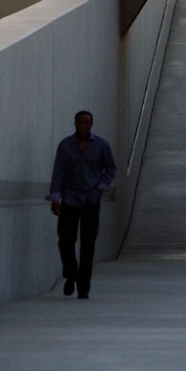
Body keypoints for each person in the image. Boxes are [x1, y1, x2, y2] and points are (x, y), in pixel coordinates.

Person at [46, 110, 116, 299]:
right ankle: (71, 272)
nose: (83, 126)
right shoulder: (65, 146)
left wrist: (100, 187)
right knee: (65, 239)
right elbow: (58, 171)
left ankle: (83, 286)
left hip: (91, 200)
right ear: (75, 124)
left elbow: (110, 168)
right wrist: (55, 198)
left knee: (88, 243)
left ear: (91, 124)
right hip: (70, 198)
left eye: (86, 123)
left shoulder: (101, 145)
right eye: (80, 123)